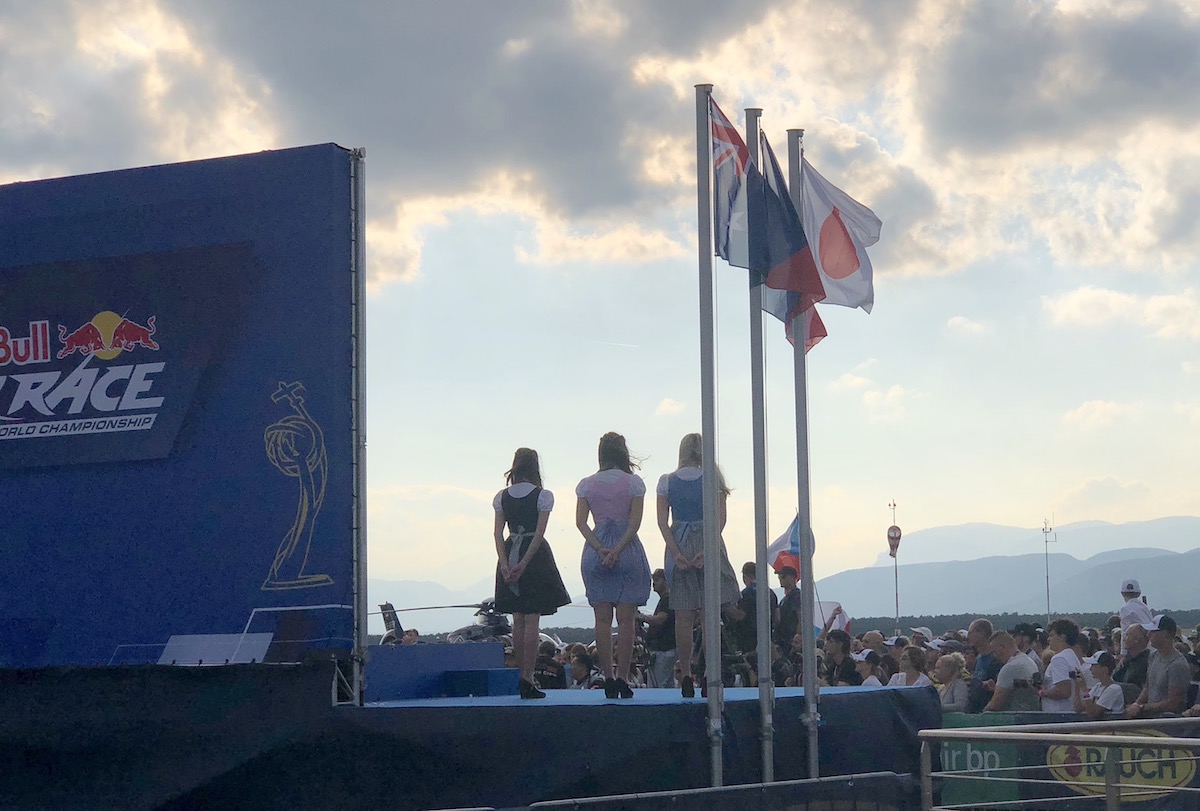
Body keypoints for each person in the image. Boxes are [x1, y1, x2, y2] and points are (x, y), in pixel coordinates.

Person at [656, 433, 740, 698]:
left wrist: (676, 553)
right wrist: (707, 550)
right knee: (709, 616)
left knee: (683, 617)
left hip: (679, 539)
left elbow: (662, 522)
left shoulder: (666, 481)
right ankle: (709, 673)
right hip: (707, 540)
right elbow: (721, 520)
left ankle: (685, 673)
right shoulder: (713, 479)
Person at [576, 432, 652, 699]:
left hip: (596, 549)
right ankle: (623, 677)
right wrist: (618, 549)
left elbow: (581, 523)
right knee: (626, 620)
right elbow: (635, 523)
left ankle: (607, 676)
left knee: (602, 620)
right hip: (627, 549)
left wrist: (601, 549)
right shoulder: (634, 484)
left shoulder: (586, 485)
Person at [493, 448, 571, 700]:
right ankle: (528, 676)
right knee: (532, 619)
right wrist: (525, 562)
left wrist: (504, 563)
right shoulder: (542, 496)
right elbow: (539, 533)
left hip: (510, 549)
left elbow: (497, 533)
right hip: (534, 557)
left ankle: (521, 675)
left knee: (517, 619)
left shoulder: (502, 497)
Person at [1126, 615, 1190, 719]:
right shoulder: (1153, 656)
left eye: (1153, 631)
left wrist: (1142, 708)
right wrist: (1136, 704)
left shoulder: (1178, 665)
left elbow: (1172, 704)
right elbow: (1148, 687)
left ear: (1165, 635)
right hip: (1151, 717)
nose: (1148, 634)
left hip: (1168, 721)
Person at [640, 568, 677, 687]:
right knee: (667, 684)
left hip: (664, 650)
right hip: (666, 649)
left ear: (666, 581)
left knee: (657, 684)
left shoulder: (667, 599)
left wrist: (640, 617)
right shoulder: (666, 599)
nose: (654, 583)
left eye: (657, 580)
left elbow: (660, 619)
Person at [985, 632, 1039, 712]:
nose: (994, 656)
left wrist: (978, 716)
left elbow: (994, 705)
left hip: (1016, 717)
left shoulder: (1010, 667)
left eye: (994, 652)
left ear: (1002, 647)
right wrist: (996, 689)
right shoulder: (1029, 661)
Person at [734, 561, 779, 654]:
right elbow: (777, 618)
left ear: (745, 576)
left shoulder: (745, 593)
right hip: (767, 638)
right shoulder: (770, 593)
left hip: (748, 639)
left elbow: (740, 615)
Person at [1040, 618, 1083, 713]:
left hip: (1057, 713)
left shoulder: (1058, 658)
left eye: (1051, 635)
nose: (1048, 639)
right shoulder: (1073, 656)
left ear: (1062, 637)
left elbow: (1064, 691)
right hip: (1070, 710)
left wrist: (1042, 692)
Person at [1074, 651, 1124, 718]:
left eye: (1094, 665)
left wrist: (1084, 689)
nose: (1090, 669)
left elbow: (1092, 713)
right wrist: (1077, 686)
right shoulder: (1097, 686)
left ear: (1105, 669)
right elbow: (1078, 708)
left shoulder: (1114, 689)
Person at [967, 619, 1002, 713]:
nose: (968, 636)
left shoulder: (996, 659)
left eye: (970, 632)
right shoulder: (978, 659)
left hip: (988, 712)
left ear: (981, 633)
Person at [1118, 578, 1153, 655]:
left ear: (1122, 594)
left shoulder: (1125, 609)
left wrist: (1123, 653)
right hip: (1150, 646)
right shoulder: (1145, 608)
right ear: (1139, 593)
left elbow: (1125, 632)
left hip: (1137, 648)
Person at [1113, 623, 1151, 690]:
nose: (1124, 639)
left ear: (1136, 640)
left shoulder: (1147, 662)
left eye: (1127, 636)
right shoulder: (1126, 661)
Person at [774, 566, 802, 649]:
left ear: (793, 577)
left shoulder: (796, 596)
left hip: (790, 640)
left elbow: (800, 616)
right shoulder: (785, 598)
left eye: (783, 576)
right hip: (783, 639)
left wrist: (798, 637)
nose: (780, 579)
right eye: (779, 577)